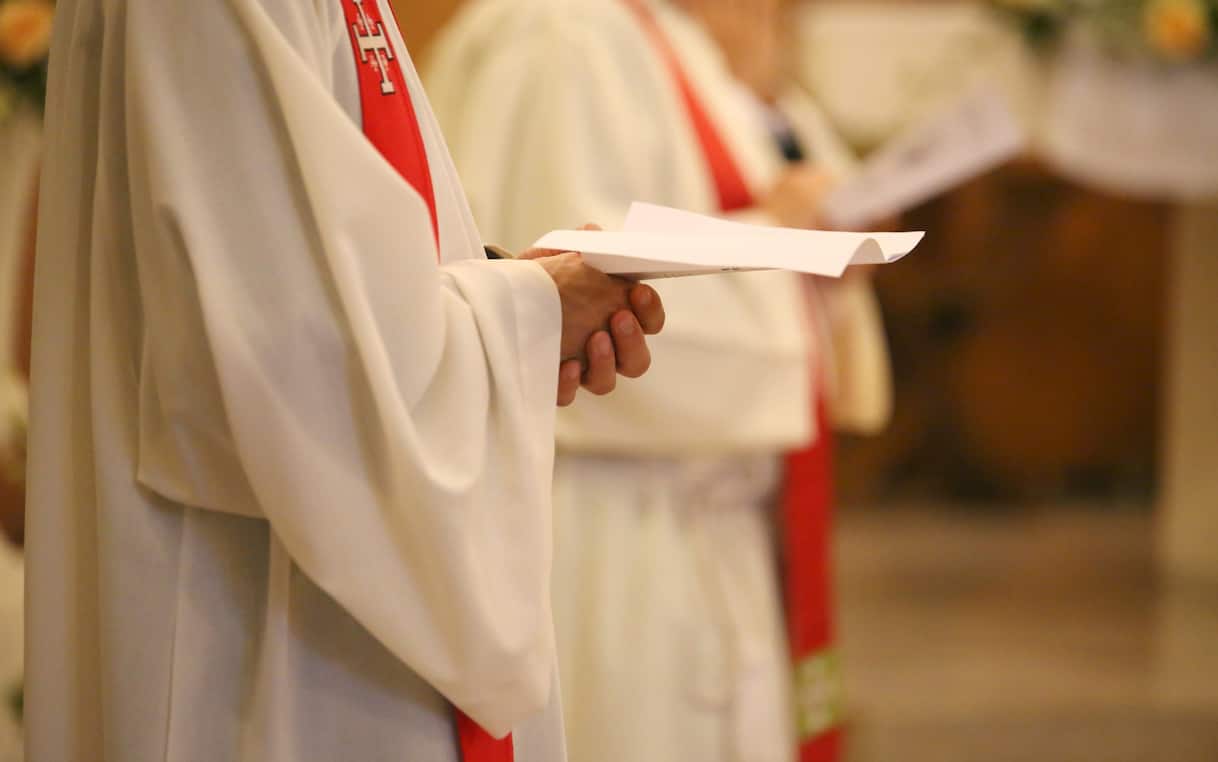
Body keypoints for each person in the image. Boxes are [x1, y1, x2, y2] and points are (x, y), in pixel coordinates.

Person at [24, 1, 668, 760]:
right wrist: (529, 313)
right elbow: (281, 358)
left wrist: (512, 300)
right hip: (261, 635)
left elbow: (309, 275)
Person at [429, 1, 891, 760]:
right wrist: (789, 246)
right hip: (612, 529)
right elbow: (563, 289)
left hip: (706, 513)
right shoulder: (560, 34)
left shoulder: (661, 36)